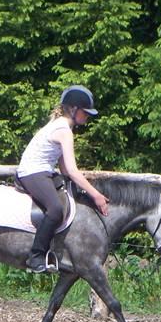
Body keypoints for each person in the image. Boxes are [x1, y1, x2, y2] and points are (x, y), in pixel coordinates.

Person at [16, 85, 110, 273]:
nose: (87, 117)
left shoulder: (62, 126)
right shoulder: (64, 131)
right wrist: (96, 195)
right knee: (55, 209)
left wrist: (78, 187)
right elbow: (74, 172)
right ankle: (36, 257)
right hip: (32, 172)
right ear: (73, 109)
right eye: (85, 112)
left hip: (44, 171)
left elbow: (65, 169)